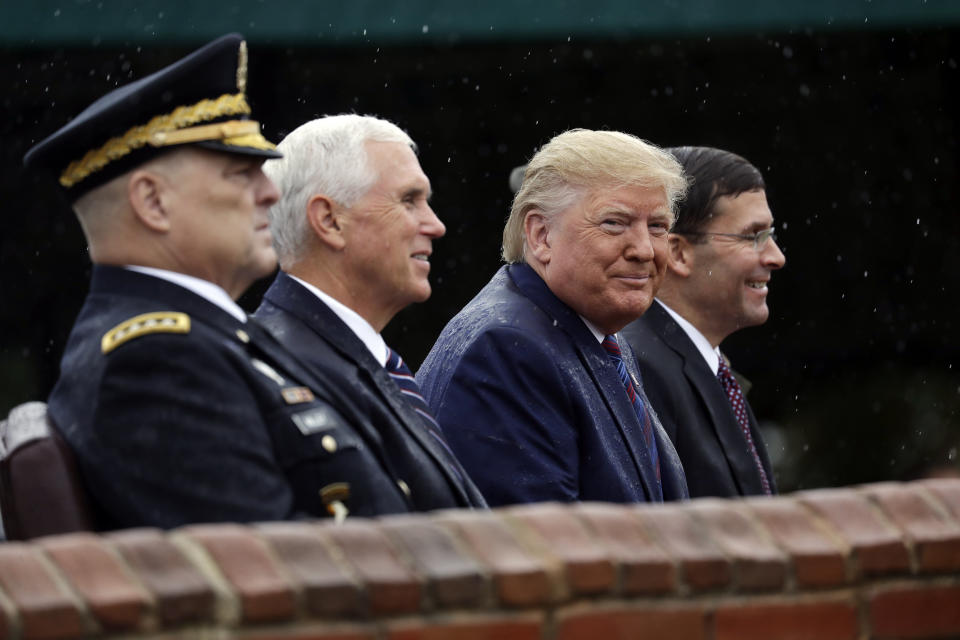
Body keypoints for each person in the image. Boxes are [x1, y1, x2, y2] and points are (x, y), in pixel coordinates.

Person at [23, 34, 425, 529]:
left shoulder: (203, 339)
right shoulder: (155, 362)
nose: (268, 193)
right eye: (241, 174)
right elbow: (272, 579)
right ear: (153, 202)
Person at [416, 129, 689, 506]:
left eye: (657, 226)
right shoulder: (506, 350)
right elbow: (536, 555)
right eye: (614, 223)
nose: (645, 249)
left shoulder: (596, 335)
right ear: (541, 235)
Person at [253, 115, 486, 510]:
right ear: (329, 221)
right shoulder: (280, 369)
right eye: (408, 200)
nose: (435, 225)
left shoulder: (357, 358)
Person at [620, 146, 786, 497]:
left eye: (771, 235)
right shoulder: (639, 368)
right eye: (753, 236)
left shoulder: (692, 363)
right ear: (678, 253)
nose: (775, 257)